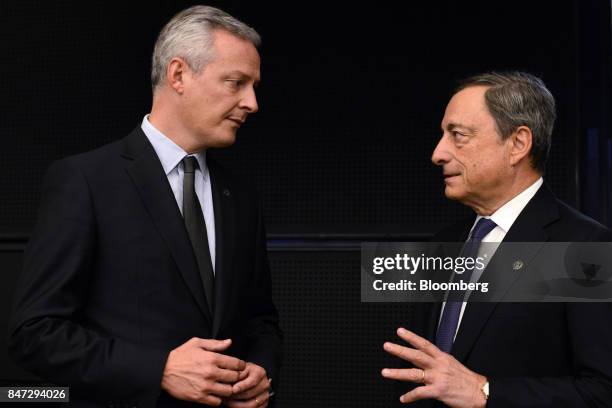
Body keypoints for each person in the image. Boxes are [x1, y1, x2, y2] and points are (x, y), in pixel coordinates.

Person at [8, 5, 281, 408]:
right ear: (178, 75)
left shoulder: (241, 197)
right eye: (236, 82)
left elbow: (261, 321)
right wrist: (158, 369)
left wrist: (262, 369)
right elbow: (34, 333)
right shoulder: (85, 181)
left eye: (253, 86)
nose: (252, 103)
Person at [381, 72, 612, 407]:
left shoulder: (585, 247)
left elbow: (602, 392)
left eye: (457, 136)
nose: (437, 153)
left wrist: (486, 391)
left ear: (518, 144)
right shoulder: (444, 243)